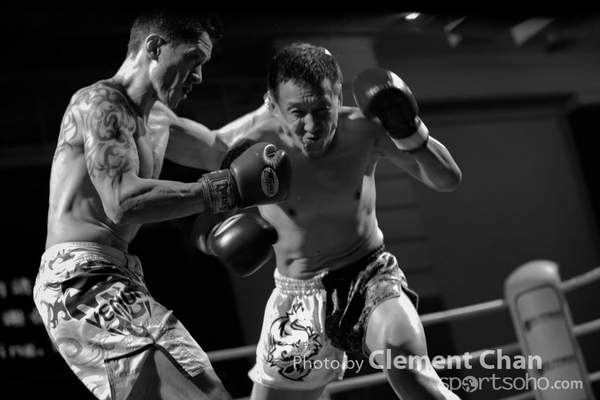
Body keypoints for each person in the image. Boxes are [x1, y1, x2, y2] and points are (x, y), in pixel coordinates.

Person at [32, 9, 292, 400]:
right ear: (155, 47)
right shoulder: (100, 104)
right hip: (80, 278)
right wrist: (222, 190)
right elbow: (123, 202)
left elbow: (222, 148)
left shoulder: (159, 120)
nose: (199, 76)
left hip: (118, 275)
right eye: (193, 59)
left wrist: (277, 105)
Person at [192, 42, 463, 399]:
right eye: (297, 112)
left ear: (338, 96)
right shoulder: (248, 150)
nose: (312, 125)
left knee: (408, 366)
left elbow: (447, 179)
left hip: (368, 276)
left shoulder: (364, 130)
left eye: (322, 109)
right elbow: (202, 228)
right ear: (272, 105)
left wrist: (409, 129)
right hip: (296, 297)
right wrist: (217, 240)